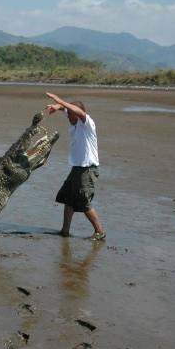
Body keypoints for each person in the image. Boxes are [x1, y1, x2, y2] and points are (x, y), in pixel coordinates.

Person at [45, 92, 106, 241]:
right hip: (77, 168)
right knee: (68, 198)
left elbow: (78, 111)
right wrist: (56, 106)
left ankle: (99, 232)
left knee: (83, 200)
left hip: (88, 169)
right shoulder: (74, 119)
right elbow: (67, 109)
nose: (68, 117)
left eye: (70, 114)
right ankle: (65, 230)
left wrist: (59, 100)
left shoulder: (87, 123)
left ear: (77, 115)